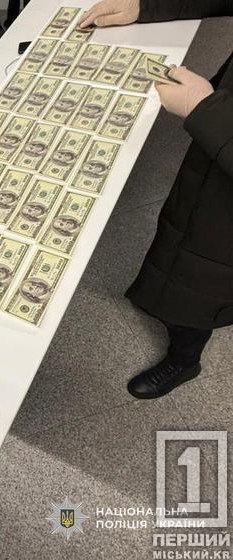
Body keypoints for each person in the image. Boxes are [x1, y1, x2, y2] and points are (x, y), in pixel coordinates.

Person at [80, 0, 233, 399]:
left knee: (203, 289)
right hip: (216, 157)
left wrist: (207, 110)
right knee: (182, 240)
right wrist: (148, 6)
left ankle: (185, 359)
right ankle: (167, 304)